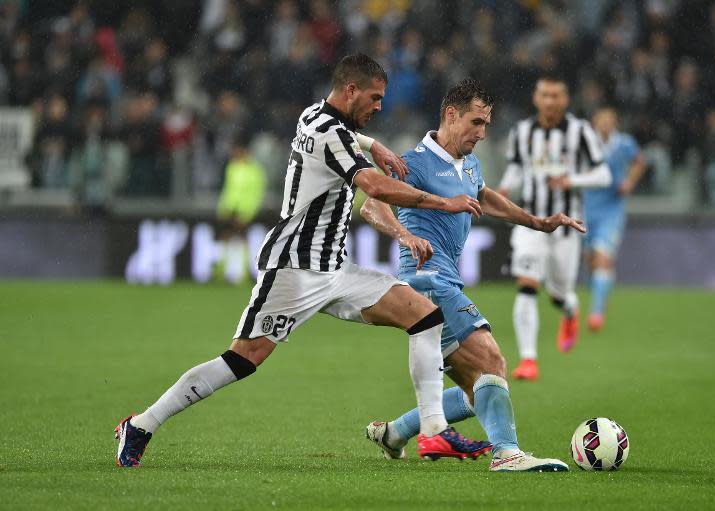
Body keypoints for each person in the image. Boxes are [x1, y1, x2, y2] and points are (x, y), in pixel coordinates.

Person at [115, 54, 490, 467]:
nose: (379, 106)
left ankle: (434, 432)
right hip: (294, 268)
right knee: (242, 359)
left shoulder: (315, 114)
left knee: (425, 316)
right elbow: (373, 187)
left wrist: (375, 144)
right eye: (374, 97)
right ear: (350, 91)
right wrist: (444, 202)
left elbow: (346, 138)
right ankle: (141, 424)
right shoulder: (334, 136)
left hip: (336, 269)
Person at [360, 78, 584, 472]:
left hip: (446, 278)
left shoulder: (469, 162)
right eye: (476, 123)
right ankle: (507, 453)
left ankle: (394, 432)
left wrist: (537, 222)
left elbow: (485, 195)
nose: (482, 133)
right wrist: (405, 233)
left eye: (486, 125)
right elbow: (371, 206)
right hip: (426, 279)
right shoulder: (414, 162)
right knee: (490, 360)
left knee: (473, 387)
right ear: (451, 114)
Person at [497, 74, 611, 381]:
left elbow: (603, 176)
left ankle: (570, 308)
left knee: (559, 292)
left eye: (556, 95)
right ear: (536, 98)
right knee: (527, 284)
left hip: (567, 225)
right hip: (530, 221)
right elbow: (517, 168)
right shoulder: (522, 132)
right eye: (544, 95)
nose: (549, 101)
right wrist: (505, 189)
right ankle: (528, 360)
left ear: (565, 99)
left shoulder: (581, 131)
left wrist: (571, 180)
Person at [583, 107, 646, 330]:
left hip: (612, 209)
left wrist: (630, 182)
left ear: (615, 123)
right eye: (601, 120)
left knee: (602, 258)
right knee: (590, 260)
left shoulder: (624, 143)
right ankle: (602, 292)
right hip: (587, 208)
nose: (605, 124)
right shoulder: (587, 143)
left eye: (609, 120)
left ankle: (596, 313)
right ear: (594, 123)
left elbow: (640, 161)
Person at [215, 135, 268, 284]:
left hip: (245, 211)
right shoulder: (232, 166)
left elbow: (256, 194)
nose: (235, 153)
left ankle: (244, 272)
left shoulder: (255, 170)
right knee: (225, 237)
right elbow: (228, 189)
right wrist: (223, 208)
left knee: (243, 240)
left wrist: (247, 213)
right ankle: (222, 270)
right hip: (231, 209)